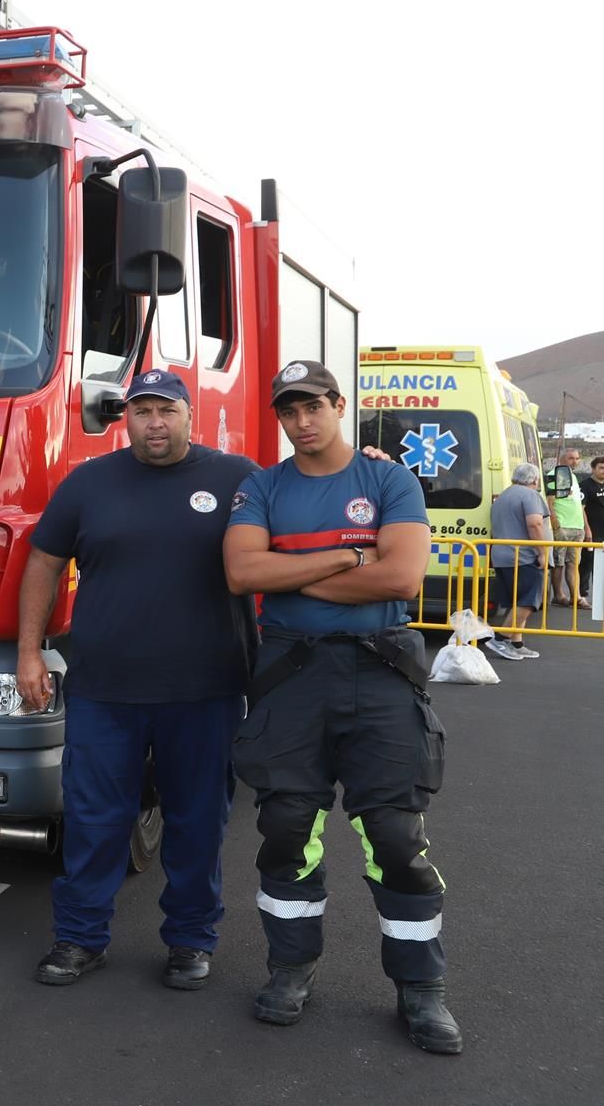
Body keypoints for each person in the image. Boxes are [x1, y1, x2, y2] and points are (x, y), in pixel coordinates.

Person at [223, 360, 461, 1056]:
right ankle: (289, 970)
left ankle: (420, 990)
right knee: (287, 825)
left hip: (378, 669)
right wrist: (346, 559)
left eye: (312, 406)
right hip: (290, 674)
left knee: (394, 834)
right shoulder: (261, 486)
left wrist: (292, 567)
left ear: (336, 405)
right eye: (287, 410)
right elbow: (242, 572)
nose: (301, 420)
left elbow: (401, 575)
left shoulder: (387, 479)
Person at [15, 370, 257, 990]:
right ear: (127, 418)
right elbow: (43, 558)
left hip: (205, 690)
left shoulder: (236, 478)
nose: (155, 422)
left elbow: (313, 500)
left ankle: (190, 941)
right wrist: (30, 653)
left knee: (197, 822)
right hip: (105, 689)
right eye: (142, 410)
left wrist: (367, 468)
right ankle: (79, 938)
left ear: (188, 415)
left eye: (166, 410)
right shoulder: (90, 482)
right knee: (95, 820)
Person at [484, 462, 551, 661]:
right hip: (523, 556)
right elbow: (535, 523)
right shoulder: (530, 495)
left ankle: (516, 643)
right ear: (535, 480)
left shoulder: (504, 495)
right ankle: (500, 638)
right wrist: (542, 552)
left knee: (517, 601)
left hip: (502, 556)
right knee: (529, 601)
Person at [547, 447, 589, 611]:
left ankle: (575, 596)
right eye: (571, 458)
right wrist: (554, 518)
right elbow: (549, 499)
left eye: (577, 458)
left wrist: (584, 526)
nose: (575, 461)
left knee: (573, 563)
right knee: (559, 562)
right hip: (562, 525)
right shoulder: (555, 474)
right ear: (563, 459)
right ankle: (559, 595)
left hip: (576, 526)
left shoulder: (573, 476)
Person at [581, 456, 604, 604]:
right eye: (601, 468)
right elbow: (580, 509)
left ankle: (600, 597)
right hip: (592, 533)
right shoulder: (584, 485)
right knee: (587, 564)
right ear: (593, 469)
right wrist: (587, 530)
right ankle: (581, 595)